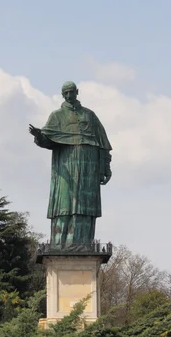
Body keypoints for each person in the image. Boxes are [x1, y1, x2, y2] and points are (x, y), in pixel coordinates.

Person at [29, 81, 112, 249]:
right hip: (65, 167)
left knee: (85, 205)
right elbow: (48, 141)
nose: (68, 96)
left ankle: (83, 242)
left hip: (89, 167)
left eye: (71, 92)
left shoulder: (90, 115)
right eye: (65, 93)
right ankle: (62, 243)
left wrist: (105, 167)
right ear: (62, 95)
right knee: (64, 203)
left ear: (77, 92)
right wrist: (39, 136)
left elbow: (103, 144)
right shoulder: (56, 116)